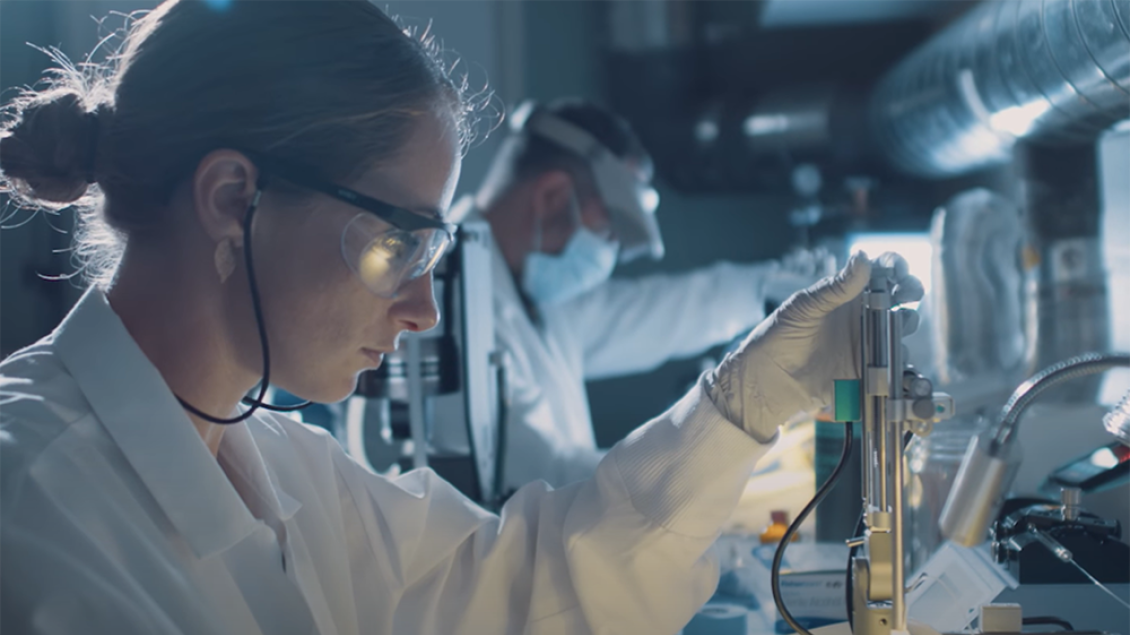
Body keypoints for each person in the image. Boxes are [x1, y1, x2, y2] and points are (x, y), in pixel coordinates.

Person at [0, 1, 922, 633]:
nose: (422, 306)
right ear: (233, 196)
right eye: (396, 245)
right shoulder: (33, 507)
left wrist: (742, 405)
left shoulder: (283, 465)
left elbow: (523, 591)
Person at [446, 99, 829, 492]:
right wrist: (713, 460)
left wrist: (769, 289)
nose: (611, 252)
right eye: (610, 230)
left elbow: (660, 313)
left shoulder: (536, 295)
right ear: (553, 197)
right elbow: (544, 479)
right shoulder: (450, 306)